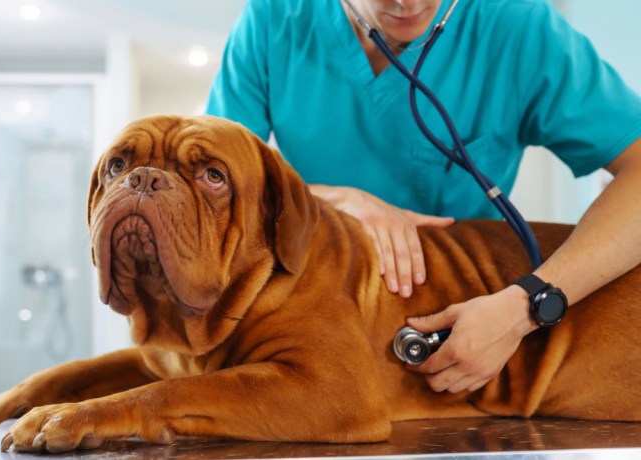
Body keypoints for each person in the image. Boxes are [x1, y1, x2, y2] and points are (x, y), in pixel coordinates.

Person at [205, 0, 641, 394]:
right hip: (307, 319)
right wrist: (331, 201)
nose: (409, 3)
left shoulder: (517, 25)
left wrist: (526, 306)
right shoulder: (273, 20)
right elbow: (210, 185)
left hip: (468, 331)